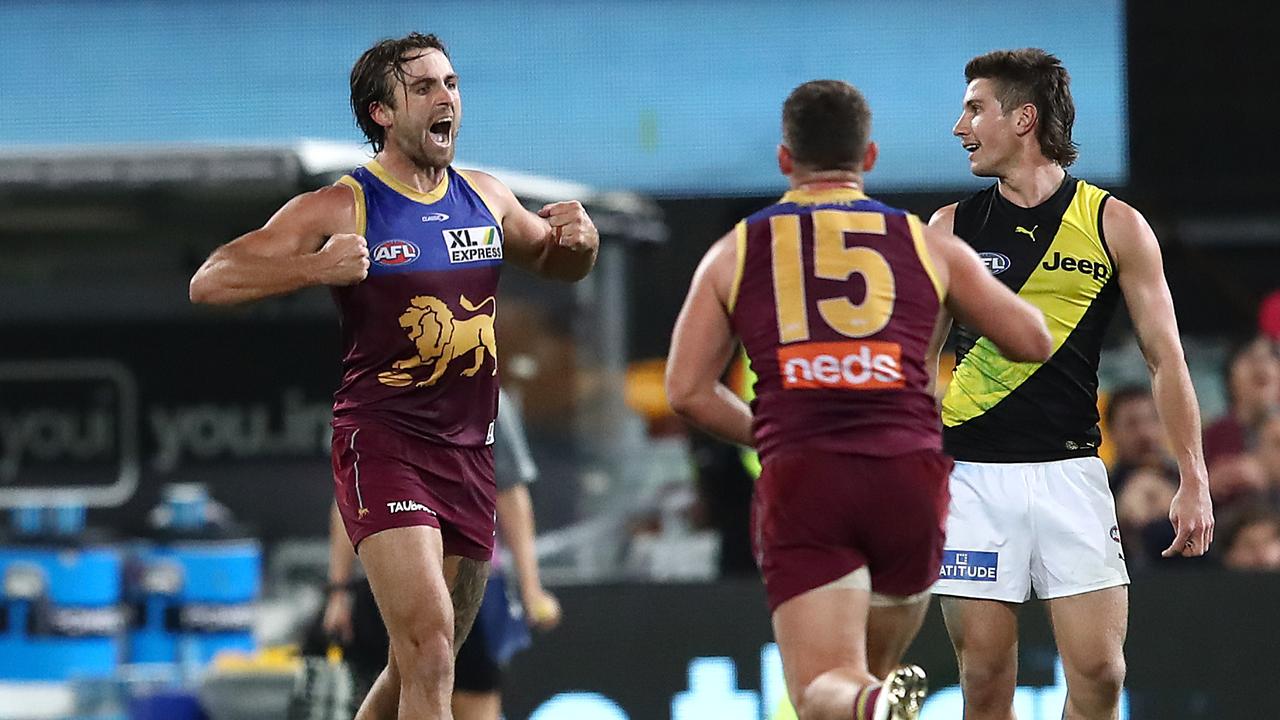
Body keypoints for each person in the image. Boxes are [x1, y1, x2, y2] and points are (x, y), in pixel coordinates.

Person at [189, 32, 598, 720]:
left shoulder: (487, 196)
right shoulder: (342, 206)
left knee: (415, 664)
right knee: (432, 650)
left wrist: (580, 247)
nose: (447, 99)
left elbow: (556, 260)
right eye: (425, 88)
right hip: (384, 447)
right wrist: (313, 268)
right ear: (382, 112)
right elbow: (211, 279)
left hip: (470, 458)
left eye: (453, 84)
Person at [665, 79, 1051, 720]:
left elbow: (686, 391)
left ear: (785, 160)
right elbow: (1031, 339)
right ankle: (874, 699)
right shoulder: (930, 245)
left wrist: (769, 431)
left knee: (825, 690)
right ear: (868, 157)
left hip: (807, 477)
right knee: (868, 676)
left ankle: (871, 702)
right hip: (909, 475)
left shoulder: (737, 250)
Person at [931, 48, 1214, 720]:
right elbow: (917, 359)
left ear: (1023, 118)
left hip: (1072, 475)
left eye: (974, 108)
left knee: (1100, 673)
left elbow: (1165, 359)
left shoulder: (1114, 224)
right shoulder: (949, 228)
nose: (958, 126)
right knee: (987, 677)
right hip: (972, 478)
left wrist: (1194, 477)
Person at [321, 389, 562, 720]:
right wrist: (338, 591)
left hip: (466, 576)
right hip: (386, 580)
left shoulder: (483, 393)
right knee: (407, 678)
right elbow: (349, 495)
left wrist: (531, 587)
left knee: (457, 687)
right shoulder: (369, 390)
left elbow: (510, 493)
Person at [1103, 385, 1174, 491]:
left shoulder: (1187, 481)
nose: (1146, 433)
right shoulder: (1104, 492)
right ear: (1112, 432)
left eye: (1152, 420)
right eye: (1132, 424)